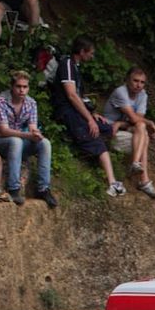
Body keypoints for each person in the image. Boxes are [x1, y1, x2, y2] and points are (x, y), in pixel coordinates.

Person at [51, 36, 127, 197]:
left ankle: (95, 151)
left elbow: (79, 97)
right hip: (68, 113)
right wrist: (90, 119)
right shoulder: (67, 64)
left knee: (107, 128)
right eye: (90, 53)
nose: (92, 56)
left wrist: (92, 114)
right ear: (82, 51)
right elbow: (72, 96)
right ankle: (112, 183)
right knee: (96, 138)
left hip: (78, 112)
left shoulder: (76, 67)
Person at [0, 70, 56, 207]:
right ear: (12, 86)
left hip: (20, 141)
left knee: (45, 143)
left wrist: (36, 134)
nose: (22, 90)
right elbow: (3, 130)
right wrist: (27, 135)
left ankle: (43, 188)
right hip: (1, 142)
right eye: (18, 86)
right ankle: (14, 188)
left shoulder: (31, 103)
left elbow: (32, 126)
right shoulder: (0, 101)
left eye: (25, 87)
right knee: (16, 141)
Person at [103, 67, 155, 198]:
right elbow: (134, 118)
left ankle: (135, 164)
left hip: (123, 128)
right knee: (145, 137)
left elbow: (138, 120)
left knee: (141, 127)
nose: (139, 85)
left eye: (142, 82)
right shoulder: (120, 92)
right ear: (127, 80)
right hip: (109, 132)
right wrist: (150, 122)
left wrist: (121, 123)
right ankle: (144, 180)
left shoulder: (142, 95)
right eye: (135, 81)